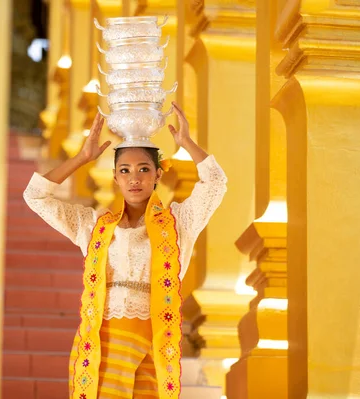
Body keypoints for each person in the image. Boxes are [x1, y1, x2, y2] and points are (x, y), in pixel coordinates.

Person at [23, 102, 227, 399]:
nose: (135, 178)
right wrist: (81, 158)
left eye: (144, 169)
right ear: (116, 178)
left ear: (158, 174)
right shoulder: (93, 226)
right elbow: (36, 196)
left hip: (155, 339)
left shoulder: (179, 223)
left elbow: (216, 182)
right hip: (102, 346)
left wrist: (187, 143)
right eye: (125, 171)